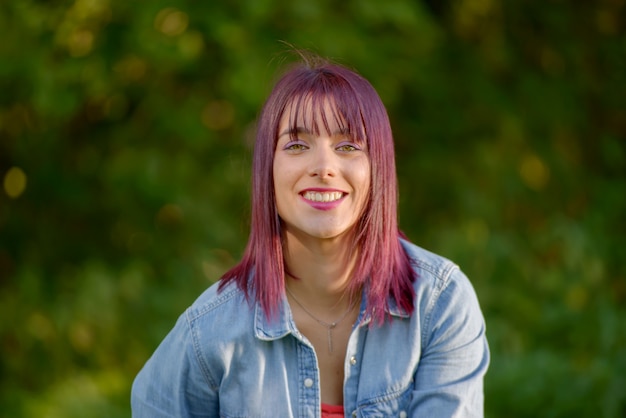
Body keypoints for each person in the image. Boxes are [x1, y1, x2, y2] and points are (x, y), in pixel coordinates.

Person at [131, 53, 489, 418]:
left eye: (348, 146)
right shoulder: (209, 332)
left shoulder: (439, 304)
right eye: (297, 146)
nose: (323, 168)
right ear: (267, 168)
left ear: (378, 167)